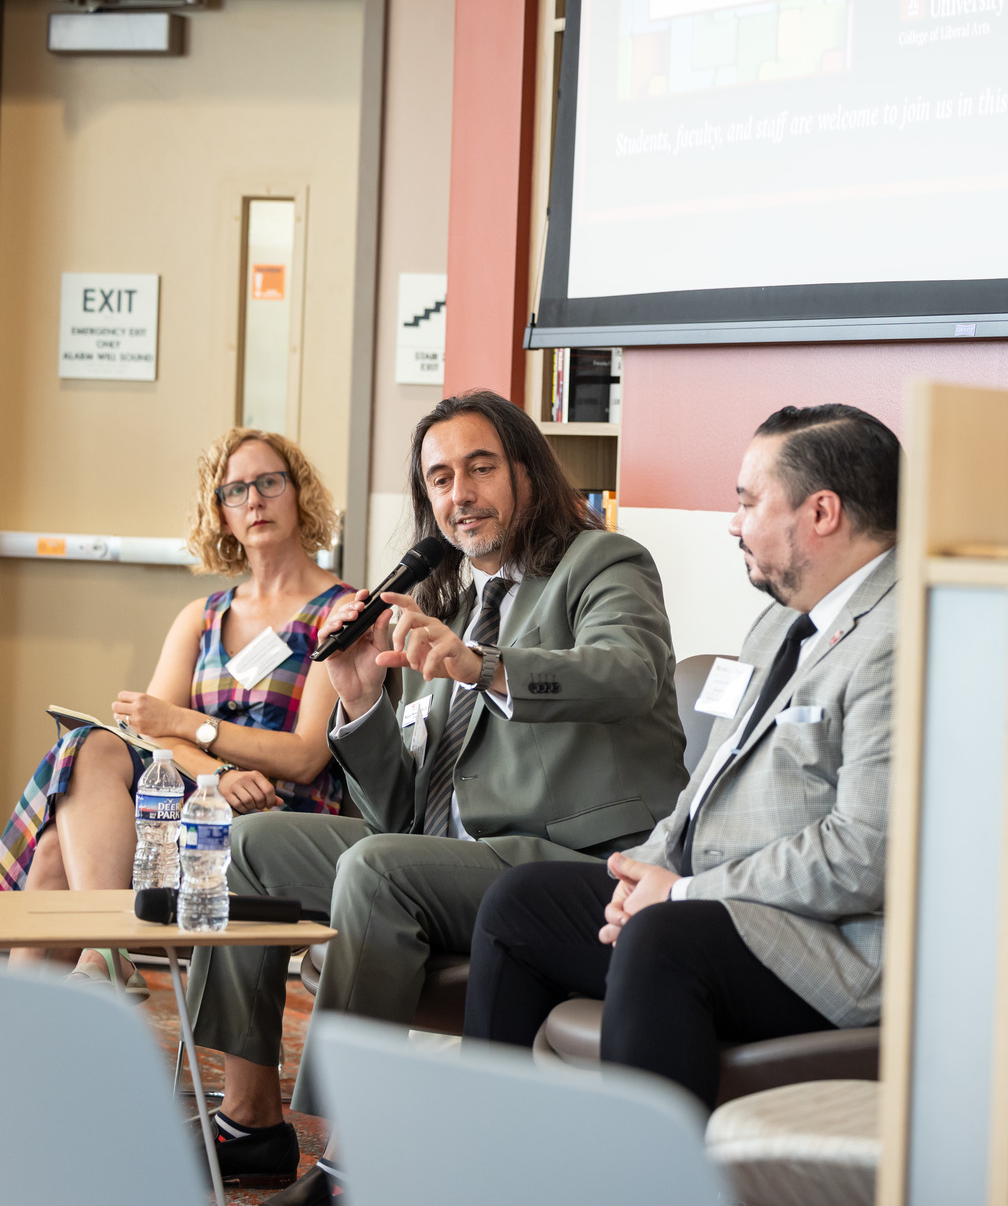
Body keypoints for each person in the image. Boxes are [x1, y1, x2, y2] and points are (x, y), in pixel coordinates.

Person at [196, 389, 689, 1201]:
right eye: (438, 478)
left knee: (382, 871)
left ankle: (355, 1158)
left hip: (564, 857)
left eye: (479, 467)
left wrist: (485, 665)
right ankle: (252, 1121)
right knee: (250, 845)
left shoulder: (601, 563)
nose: (459, 493)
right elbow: (402, 813)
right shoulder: (446, 601)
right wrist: (358, 702)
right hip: (449, 855)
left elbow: (629, 672)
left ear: (526, 469)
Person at [463, 404, 900, 1109]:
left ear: (821, 512)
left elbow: (862, 854)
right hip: (706, 907)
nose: (733, 523)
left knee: (663, 938)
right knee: (520, 904)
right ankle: (490, 1168)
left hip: (826, 948)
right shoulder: (778, 623)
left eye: (748, 502)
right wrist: (650, 873)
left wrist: (685, 893)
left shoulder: (899, 636)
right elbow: (706, 784)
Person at [0, 427, 352, 991]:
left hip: (282, 816)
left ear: (299, 494)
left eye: (269, 482)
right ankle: (95, 970)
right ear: (221, 513)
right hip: (197, 801)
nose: (253, 499)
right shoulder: (202, 617)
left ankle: (84, 977)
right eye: (235, 490)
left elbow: (305, 757)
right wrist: (217, 773)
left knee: (58, 853)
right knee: (92, 748)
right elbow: (147, 735)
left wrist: (186, 724)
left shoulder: (340, 611)